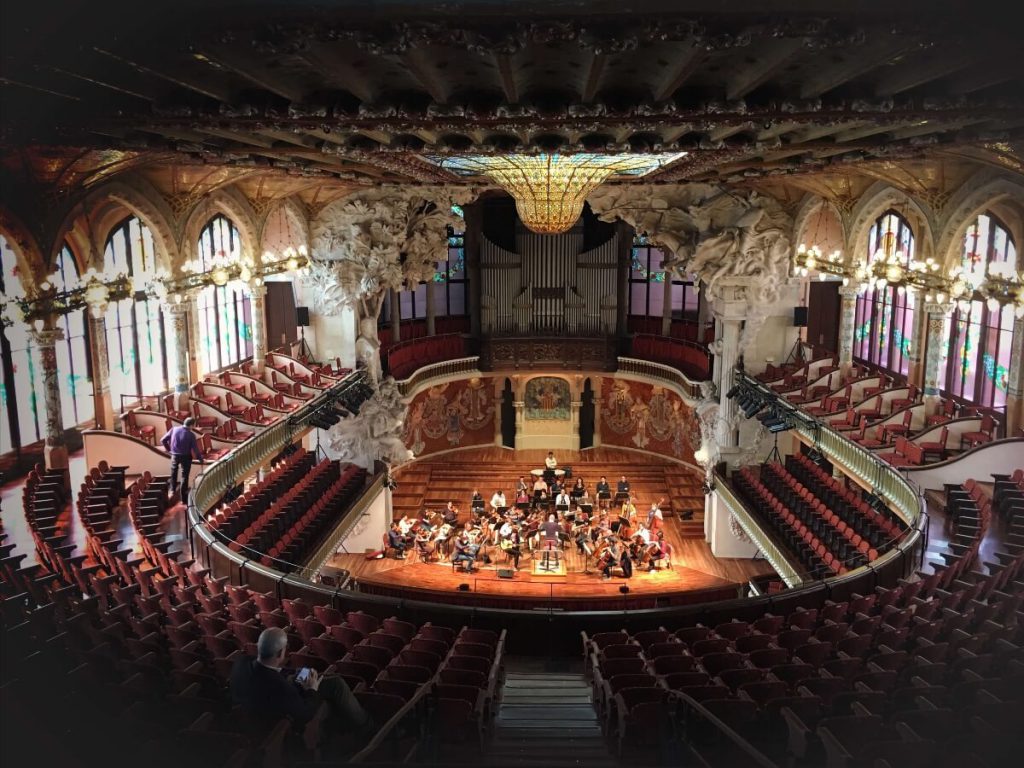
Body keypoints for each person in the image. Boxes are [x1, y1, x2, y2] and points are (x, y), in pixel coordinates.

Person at [231, 627, 370, 739]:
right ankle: (366, 726)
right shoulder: (282, 689)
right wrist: (311, 689)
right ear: (280, 654)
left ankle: (348, 721)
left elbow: (271, 672)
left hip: (264, 698)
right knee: (336, 684)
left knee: (324, 678)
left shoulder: (242, 663)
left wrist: (295, 674)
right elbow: (306, 713)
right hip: (284, 715)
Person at [161, 417, 203, 502]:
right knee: (184, 476)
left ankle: (172, 490)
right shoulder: (191, 435)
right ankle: (183, 499)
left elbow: (163, 440)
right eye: (194, 426)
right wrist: (200, 459)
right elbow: (195, 449)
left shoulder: (174, 429)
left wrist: (169, 450)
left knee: (173, 472)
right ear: (191, 425)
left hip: (174, 456)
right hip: (186, 457)